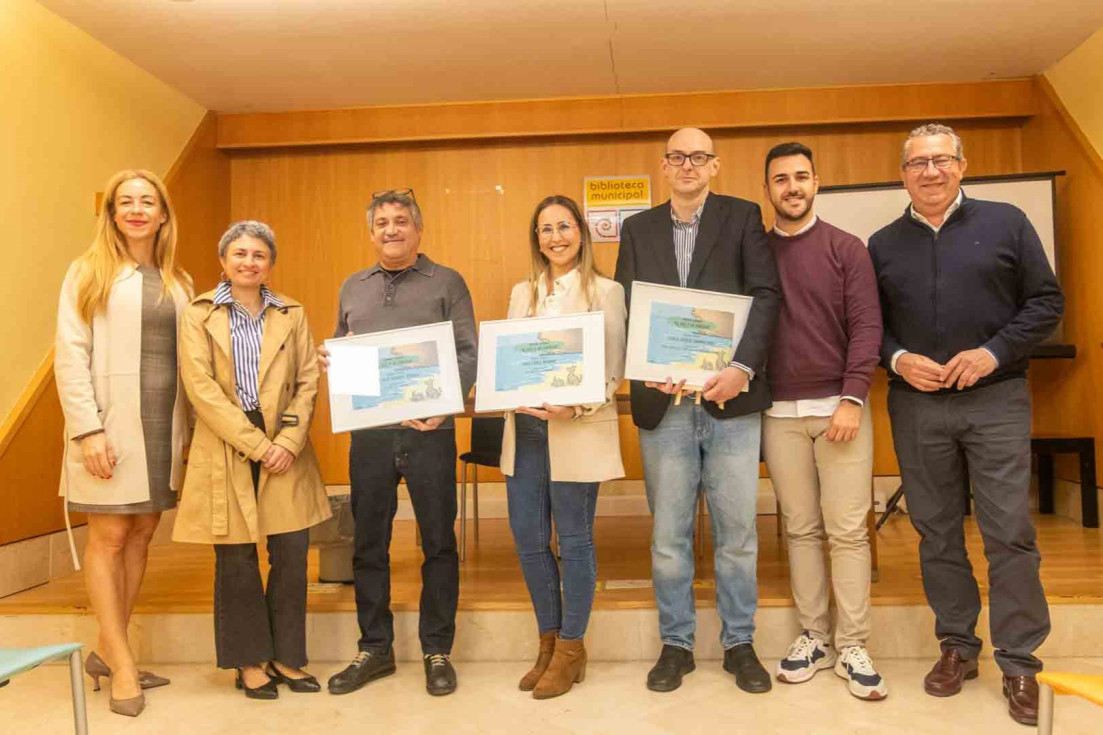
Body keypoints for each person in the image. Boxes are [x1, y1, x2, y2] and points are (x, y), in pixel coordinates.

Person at [869, 123, 1064, 726]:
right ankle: (957, 645)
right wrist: (898, 358)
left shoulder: (1006, 222)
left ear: (962, 166)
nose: (930, 171)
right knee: (936, 531)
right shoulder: (880, 244)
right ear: (903, 174)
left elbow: (1045, 302)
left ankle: (1020, 661)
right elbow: (866, 325)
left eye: (941, 160)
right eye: (918, 163)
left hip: (996, 399)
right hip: (917, 405)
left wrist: (993, 353)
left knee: (1009, 531)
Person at [614, 128, 781, 693]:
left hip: (730, 399)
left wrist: (743, 369)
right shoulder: (638, 228)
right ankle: (677, 644)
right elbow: (629, 304)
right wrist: (644, 361)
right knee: (669, 533)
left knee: (737, 531)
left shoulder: (742, 216)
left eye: (699, 157)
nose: (688, 165)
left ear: (715, 165)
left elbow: (765, 294)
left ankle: (739, 643)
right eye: (678, 157)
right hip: (664, 402)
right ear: (664, 166)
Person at [323, 188, 477, 697]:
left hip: (430, 432)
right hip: (369, 436)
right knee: (369, 543)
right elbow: (344, 349)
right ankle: (375, 648)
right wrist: (334, 363)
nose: (392, 229)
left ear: (418, 229)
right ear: (371, 232)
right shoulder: (352, 286)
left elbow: (467, 354)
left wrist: (442, 406)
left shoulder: (447, 281)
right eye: (382, 222)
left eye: (401, 221)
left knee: (438, 542)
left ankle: (437, 649)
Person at [173, 220, 331, 700]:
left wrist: (287, 440)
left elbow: (307, 380)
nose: (248, 262)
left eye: (258, 254)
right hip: (227, 442)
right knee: (237, 558)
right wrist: (257, 445)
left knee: (290, 554)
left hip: (287, 444)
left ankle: (286, 656)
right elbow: (201, 390)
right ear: (224, 261)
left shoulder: (291, 313)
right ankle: (248, 662)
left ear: (270, 263)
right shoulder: (199, 314)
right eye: (239, 253)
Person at [55, 169, 192, 717]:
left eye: (147, 202)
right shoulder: (87, 272)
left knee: (141, 534)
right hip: (107, 427)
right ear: (112, 214)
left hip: (163, 428)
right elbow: (70, 353)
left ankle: (105, 651)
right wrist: (87, 429)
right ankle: (123, 664)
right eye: (125, 202)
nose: (136, 210)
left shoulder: (179, 279)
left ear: (163, 214)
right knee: (109, 537)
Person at [759, 142, 886, 700]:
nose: (792, 186)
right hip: (777, 415)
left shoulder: (847, 249)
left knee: (848, 532)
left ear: (816, 183)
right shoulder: (756, 253)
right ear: (768, 189)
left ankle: (854, 643)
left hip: (840, 411)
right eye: (781, 179)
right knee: (800, 530)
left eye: (801, 176)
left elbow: (867, 328)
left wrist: (852, 398)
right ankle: (814, 636)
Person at [501, 195, 627, 699]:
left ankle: (572, 649)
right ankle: (548, 642)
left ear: (581, 232)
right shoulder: (520, 293)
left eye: (564, 226)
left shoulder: (607, 291)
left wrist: (574, 409)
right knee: (529, 540)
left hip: (576, 428)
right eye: (545, 229)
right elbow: (509, 361)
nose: (555, 237)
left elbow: (612, 370)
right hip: (527, 431)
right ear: (536, 238)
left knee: (574, 542)